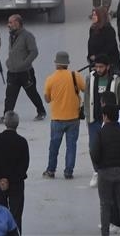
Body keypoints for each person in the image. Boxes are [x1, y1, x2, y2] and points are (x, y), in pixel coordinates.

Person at [90, 103, 120, 236]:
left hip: (104, 172)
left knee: (105, 205)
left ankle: (105, 233)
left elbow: (94, 153)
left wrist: (98, 165)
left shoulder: (100, 133)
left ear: (105, 116)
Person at [84, 55, 120, 187]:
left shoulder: (117, 80)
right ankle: (97, 172)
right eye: (96, 66)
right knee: (93, 147)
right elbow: (87, 97)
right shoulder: (90, 79)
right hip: (94, 120)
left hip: (111, 121)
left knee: (111, 147)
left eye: (101, 66)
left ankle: (109, 172)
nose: (98, 69)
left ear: (108, 67)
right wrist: (87, 116)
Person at [42, 51, 86, 180]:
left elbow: (47, 99)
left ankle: (51, 170)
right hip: (73, 118)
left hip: (57, 119)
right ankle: (68, 171)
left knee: (54, 147)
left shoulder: (50, 79)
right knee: (71, 146)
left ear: (56, 64)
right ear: (67, 64)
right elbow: (85, 89)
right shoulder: (75, 76)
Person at [0, 15, 46, 124]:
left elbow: (34, 52)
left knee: (32, 93)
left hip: (25, 72)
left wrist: (24, 64)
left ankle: (41, 111)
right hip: (12, 72)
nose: (8, 25)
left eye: (10, 22)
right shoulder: (12, 36)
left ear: (17, 23)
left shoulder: (27, 36)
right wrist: (9, 62)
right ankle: (6, 115)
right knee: (10, 96)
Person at [0, 111, 29, 231]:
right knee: (16, 215)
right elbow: (24, 165)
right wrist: (12, 180)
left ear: (5, 122)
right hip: (17, 184)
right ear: (17, 124)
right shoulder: (22, 142)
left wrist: (0, 180)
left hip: (0, 184)